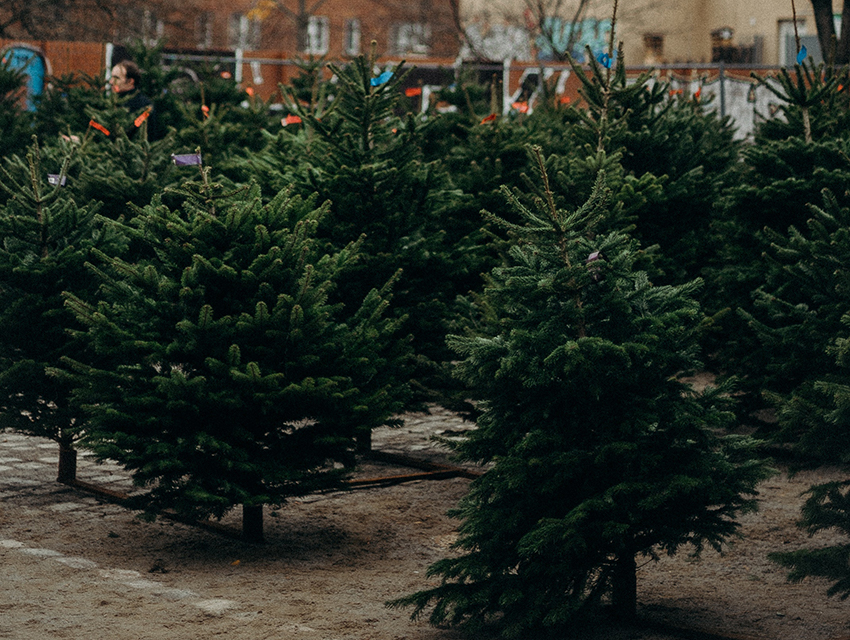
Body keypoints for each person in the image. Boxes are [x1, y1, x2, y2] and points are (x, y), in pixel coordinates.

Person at [109, 59, 160, 140]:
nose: (111, 82)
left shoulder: (143, 106)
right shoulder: (110, 102)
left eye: (116, 78)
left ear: (130, 81)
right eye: (111, 77)